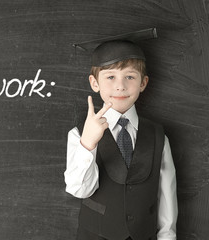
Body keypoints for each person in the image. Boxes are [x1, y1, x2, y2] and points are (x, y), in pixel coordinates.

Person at [64, 29, 178, 240]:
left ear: (143, 83)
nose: (120, 86)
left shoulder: (158, 136)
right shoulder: (79, 134)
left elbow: (166, 198)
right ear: (94, 83)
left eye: (130, 76)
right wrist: (88, 144)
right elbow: (78, 190)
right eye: (110, 77)